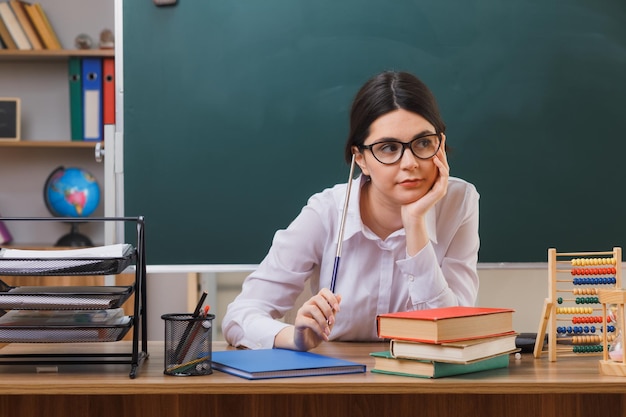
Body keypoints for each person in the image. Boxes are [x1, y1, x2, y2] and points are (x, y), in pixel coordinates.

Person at [222, 70, 479, 351]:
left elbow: (454, 331)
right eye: (389, 148)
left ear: (439, 144)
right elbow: (239, 316)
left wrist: (415, 223)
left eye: (423, 143)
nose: (410, 163)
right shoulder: (327, 212)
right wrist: (295, 337)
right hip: (337, 379)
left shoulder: (458, 202)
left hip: (425, 383)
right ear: (361, 159)